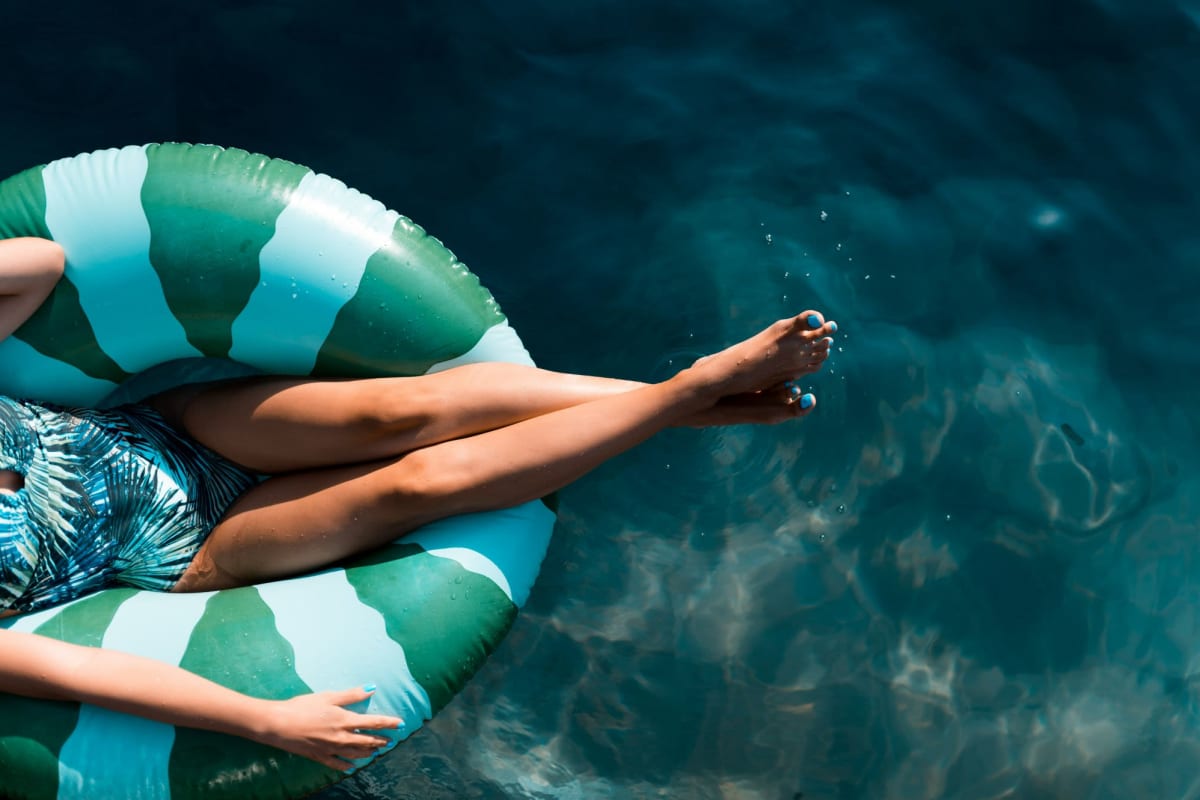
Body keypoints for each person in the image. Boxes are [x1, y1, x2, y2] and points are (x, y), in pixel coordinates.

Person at [0, 236, 836, 770]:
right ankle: (695, 392)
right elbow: (73, 669)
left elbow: (36, 263)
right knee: (417, 484)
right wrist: (260, 720)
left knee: (402, 412)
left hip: (169, 434)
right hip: (194, 550)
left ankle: (692, 402)